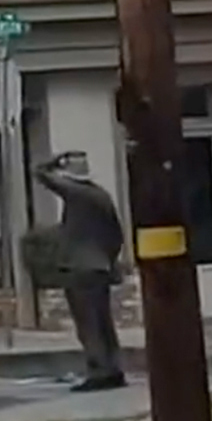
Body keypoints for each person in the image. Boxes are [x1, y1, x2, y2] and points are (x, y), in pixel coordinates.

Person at [34, 150, 128, 392]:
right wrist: (107, 258)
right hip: (99, 266)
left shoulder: (76, 193)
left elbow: (40, 174)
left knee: (87, 323)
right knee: (103, 321)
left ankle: (98, 371)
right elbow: (116, 235)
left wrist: (54, 160)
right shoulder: (102, 196)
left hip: (79, 268)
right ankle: (114, 368)